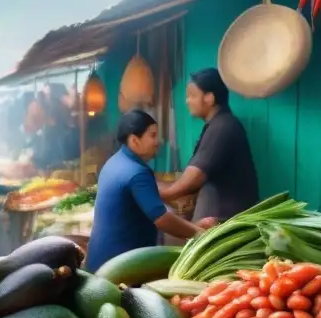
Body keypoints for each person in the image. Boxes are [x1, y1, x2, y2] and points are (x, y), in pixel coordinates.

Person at [86, 111, 214, 271]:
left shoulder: (115, 162)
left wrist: (191, 227)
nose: (158, 141)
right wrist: (200, 234)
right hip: (118, 267)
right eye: (152, 135)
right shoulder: (136, 172)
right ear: (134, 140)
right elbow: (162, 219)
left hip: (100, 260)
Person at [158, 67, 259, 223]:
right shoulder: (218, 125)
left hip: (224, 226)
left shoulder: (223, 127)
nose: (187, 101)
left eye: (192, 95)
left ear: (209, 98)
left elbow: (189, 182)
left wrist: (148, 191)